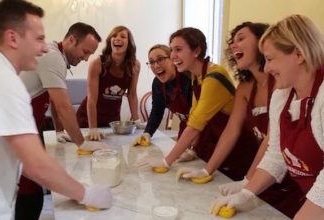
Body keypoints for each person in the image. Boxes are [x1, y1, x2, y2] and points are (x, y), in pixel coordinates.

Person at [0, 1, 112, 220]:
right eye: (38, 38)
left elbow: (26, 162)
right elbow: (63, 107)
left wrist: (59, 132)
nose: (44, 47)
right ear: (12, 38)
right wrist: (86, 193)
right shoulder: (5, 81)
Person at [178, 22, 303, 218]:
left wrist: (247, 181)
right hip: (263, 172)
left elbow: (273, 140)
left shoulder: (282, 82)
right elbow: (231, 130)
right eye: (232, 42)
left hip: (289, 177)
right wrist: (207, 169)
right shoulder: (245, 87)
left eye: (241, 38)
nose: (234, 45)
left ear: (263, 42)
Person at [211, 14, 324, 220]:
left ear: (298, 54)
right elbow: (276, 154)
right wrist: (247, 192)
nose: (267, 68)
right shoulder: (282, 96)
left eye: (270, 59)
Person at [137, 27, 258, 181]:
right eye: (172, 50)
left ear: (196, 51)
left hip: (239, 148)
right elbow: (194, 115)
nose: (173, 55)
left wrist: (166, 161)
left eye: (178, 49)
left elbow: (195, 125)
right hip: (217, 144)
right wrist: (192, 149)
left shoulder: (214, 77)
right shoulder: (198, 76)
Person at [18, 22, 105, 219]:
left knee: (31, 185)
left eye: (90, 54)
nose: (86, 58)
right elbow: (65, 107)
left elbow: (54, 101)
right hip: (19, 126)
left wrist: (59, 131)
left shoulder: (56, 55)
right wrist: (82, 143)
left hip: (30, 125)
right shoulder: (52, 56)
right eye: (85, 51)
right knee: (30, 188)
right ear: (71, 39)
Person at [77, 25, 141, 140]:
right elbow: (91, 99)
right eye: (114, 36)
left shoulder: (135, 65)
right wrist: (93, 128)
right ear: (110, 41)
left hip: (113, 121)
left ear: (129, 43)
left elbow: (132, 95)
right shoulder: (97, 64)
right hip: (88, 120)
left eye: (123, 36)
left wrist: (137, 121)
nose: (117, 38)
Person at [133, 44, 192, 146]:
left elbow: (201, 117)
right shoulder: (157, 83)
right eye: (151, 62)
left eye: (160, 59)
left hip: (206, 129)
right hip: (186, 127)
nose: (155, 65)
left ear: (172, 60)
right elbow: (157, 110)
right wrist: (148, 133)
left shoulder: (188, 79)